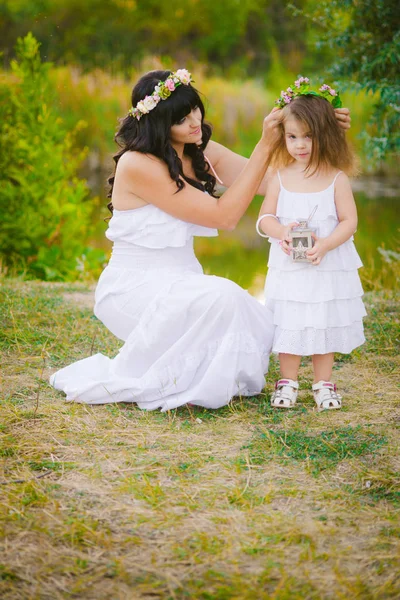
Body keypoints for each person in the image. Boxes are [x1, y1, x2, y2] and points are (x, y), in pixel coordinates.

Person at [50, 70, 351, 412]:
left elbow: (278, 182)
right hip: (134, 289)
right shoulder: (138, 164)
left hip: (184, 282)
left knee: (262, 320)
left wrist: (321, 132)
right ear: (159, 122)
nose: (195, 121)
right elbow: (224, 217)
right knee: (224, 297)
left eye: (195, 109)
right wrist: (266, 143)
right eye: (181, 118)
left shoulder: (199, 150)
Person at [256, 78, 365, 411]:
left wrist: (327, 244)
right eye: (292, 137)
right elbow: (264, 219)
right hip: (290, 268)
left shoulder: (336, 178)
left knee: (323, 319)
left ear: (326, 135)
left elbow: (349, 221)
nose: (300, 145)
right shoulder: (280, 175)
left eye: (309, 136)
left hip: (326, 265)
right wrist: (282, 231)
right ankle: (287, 381)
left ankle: (323, 382)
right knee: (290, 319)